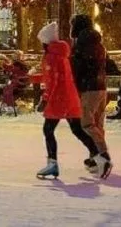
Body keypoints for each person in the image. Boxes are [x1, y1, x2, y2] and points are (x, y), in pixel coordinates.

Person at [29, 22, 101, 180]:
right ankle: (98, 156)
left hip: (57, 98)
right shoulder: (62, 55)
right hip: (69, 97)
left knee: (48, 130)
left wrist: (45, 99)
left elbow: (52, 81)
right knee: (77, 129)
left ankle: (52, 163)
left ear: (46, 42)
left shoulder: (51, 57)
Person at [70, 14, 111, 177]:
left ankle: (102, 154)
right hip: (101, 87)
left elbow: (77, 69)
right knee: (98, 123)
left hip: (88, 88)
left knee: (86, 124)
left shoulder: (81, 45)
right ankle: (95, 157)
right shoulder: (98, 44)